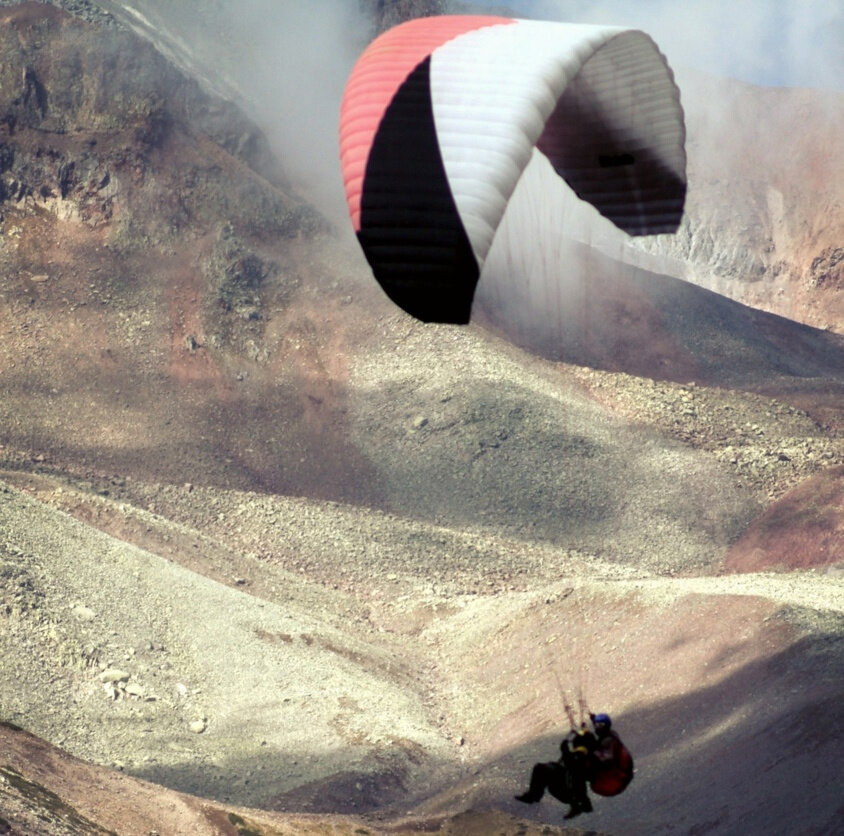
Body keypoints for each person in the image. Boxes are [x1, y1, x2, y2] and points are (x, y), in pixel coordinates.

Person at [515, 725, 596, 819]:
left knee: (541, 769)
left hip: (565, 790)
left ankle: (533, 796)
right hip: (566, 791)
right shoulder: (585, 757)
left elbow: (573, 766)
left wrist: (565, 750)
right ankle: (534, 796)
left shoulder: (582, 757)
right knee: (547, 768)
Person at [587, 713, 634, 797]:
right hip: (620, 773)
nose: (597, 728)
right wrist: (594, 719)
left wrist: (592, 750)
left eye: (600, 725)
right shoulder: (611, 733)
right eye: (596, 725)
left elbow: (606, 759)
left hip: (615, 779)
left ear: (606, 726)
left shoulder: (608, 741)